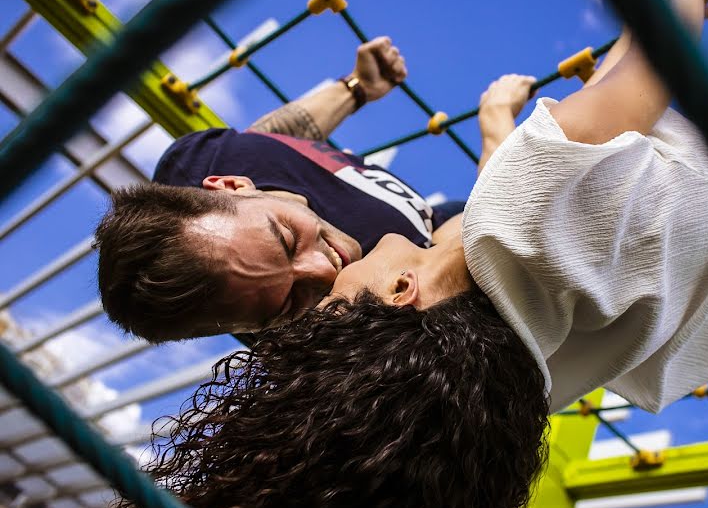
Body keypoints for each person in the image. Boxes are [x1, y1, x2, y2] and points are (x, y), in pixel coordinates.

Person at [116, 0, 708, 508]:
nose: (332, 262)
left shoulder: (499, 380)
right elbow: (646, 66)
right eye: (312, 304)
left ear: (230, 186)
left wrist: (369, 95)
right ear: (396, 295)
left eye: (291, 245)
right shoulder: (505, 209)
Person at [94, 37, 482, 342]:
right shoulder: (341, 326)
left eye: (286, 239)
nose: (324, 270)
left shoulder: (197, 164)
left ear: (231, 185)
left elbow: (265, 143)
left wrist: (356, 88)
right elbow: (463, 254)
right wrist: (497, 133)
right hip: (451, 231)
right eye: (291, 302)